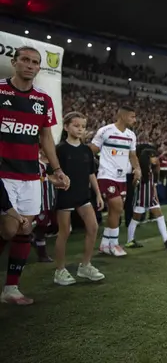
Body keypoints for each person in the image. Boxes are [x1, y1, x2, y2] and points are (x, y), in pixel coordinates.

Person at [0, 46, 70, 305]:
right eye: (25, 60)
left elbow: (46, 138)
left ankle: (10, 289)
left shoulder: (43, 100)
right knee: (8, 228)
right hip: (4, 173)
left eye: (35, 62)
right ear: (14, 62)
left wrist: (57, 170)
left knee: (24, 229)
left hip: (30, 176)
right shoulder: (0, 90)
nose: (30, 65)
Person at [52, 112, 106, 285]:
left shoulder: (86, 150)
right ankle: (60, 270)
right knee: (64, 232)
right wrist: (57, 183)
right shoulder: (59, 149)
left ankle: (85, 265)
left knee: (93, 227)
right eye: (76, 125)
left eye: (83, 126)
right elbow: (50, 174)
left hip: (83, 195)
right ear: (66, 127)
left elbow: (91, 174)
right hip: (65, 196)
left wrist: (98, 194)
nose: (80, 129)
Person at [90, 106, 141, 257]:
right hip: (106, 175)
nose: (135, 120)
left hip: (121, 177)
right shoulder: (105, 131)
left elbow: (132, 155)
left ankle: (106, 244)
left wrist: (137, 169)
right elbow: (91, 150)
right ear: (123, 116)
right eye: (132, 117)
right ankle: (114, 244)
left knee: (116, 210)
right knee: (117, 206)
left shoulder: (131, 135)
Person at [125, 148, 167, 249]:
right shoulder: (139, 169)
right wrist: (136, 179)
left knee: (160, 216)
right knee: (135, 219)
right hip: (142, 198)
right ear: (147, 158)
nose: (155, 158)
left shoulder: (150, 168)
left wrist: (156, 197)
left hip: (151, 198)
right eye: (153, 156)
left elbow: (153, 185)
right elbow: (133, 185)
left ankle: (166, 240)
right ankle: (130, 240)